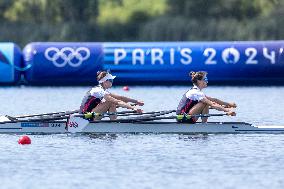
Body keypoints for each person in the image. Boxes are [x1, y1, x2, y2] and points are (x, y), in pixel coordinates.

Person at [80, 71, 144, 120]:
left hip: (90, 114)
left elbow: (120, 98)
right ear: (104, 82)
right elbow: (117, 101)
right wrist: (133, 108)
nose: (112, 82)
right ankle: (114, 124)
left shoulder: (103, 90)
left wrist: (136, 101)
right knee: (111, 102)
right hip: (86, 116)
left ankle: (114, 122)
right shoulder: (98, 90)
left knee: (112, 103)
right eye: (110, 80)